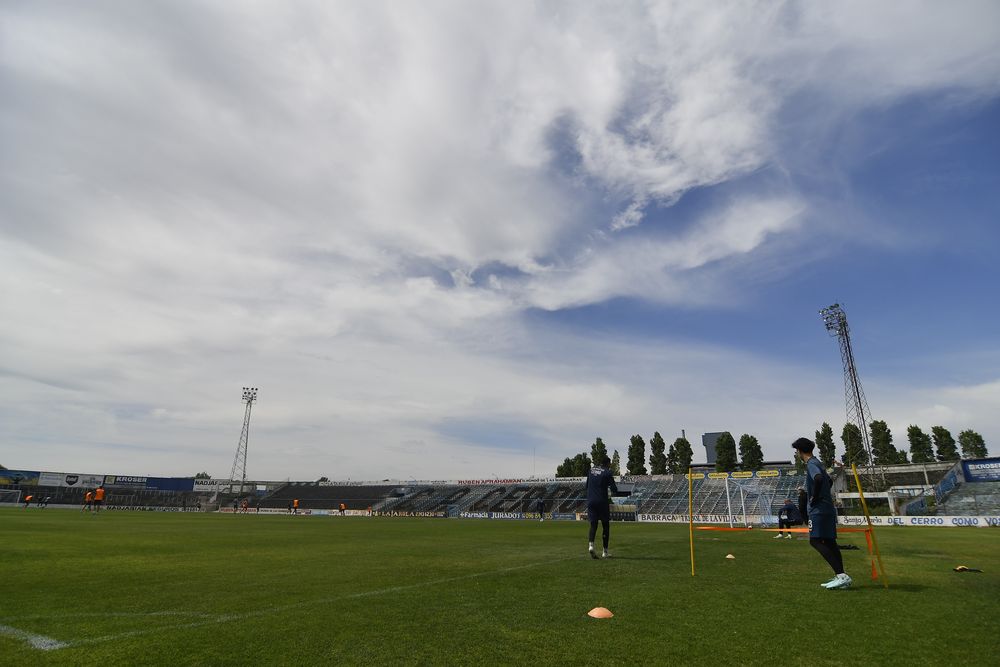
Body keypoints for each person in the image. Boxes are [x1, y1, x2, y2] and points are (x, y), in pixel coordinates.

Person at [792, 437, 852, 589]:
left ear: (799, 451)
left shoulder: (811, 463)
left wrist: (814, 497)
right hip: (827, 508)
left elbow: (818, 479)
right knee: (830, 542)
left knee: (815, 541)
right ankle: (841, 576)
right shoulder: (818, 463)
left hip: (818, 510)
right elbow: (828, 481)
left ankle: (841, 575)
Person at [585, 455, 618, 559]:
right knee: (605, 526)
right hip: (602, 501)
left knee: (593, 525)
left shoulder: (591, 470)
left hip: (590, 501)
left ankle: (591, 545)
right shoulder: (607, 472)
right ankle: (605, 552)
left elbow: (586, 486)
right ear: (608, 464)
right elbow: (614, 489)